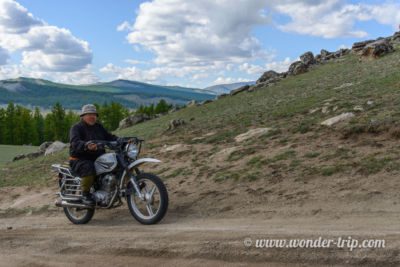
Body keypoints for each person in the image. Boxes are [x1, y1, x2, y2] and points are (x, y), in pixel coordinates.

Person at [69, 104, 118, 205]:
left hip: (98, 158)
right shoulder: (76, 128)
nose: (92, 117)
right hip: (79, 159)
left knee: (115, 163)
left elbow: (109, 137)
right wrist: (86, 145)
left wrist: (121, 140)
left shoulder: (98, 127)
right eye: (89, 114)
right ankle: (85, 195)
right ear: (83, 116)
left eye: (94, 114)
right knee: (89, 167)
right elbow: (75, 142)